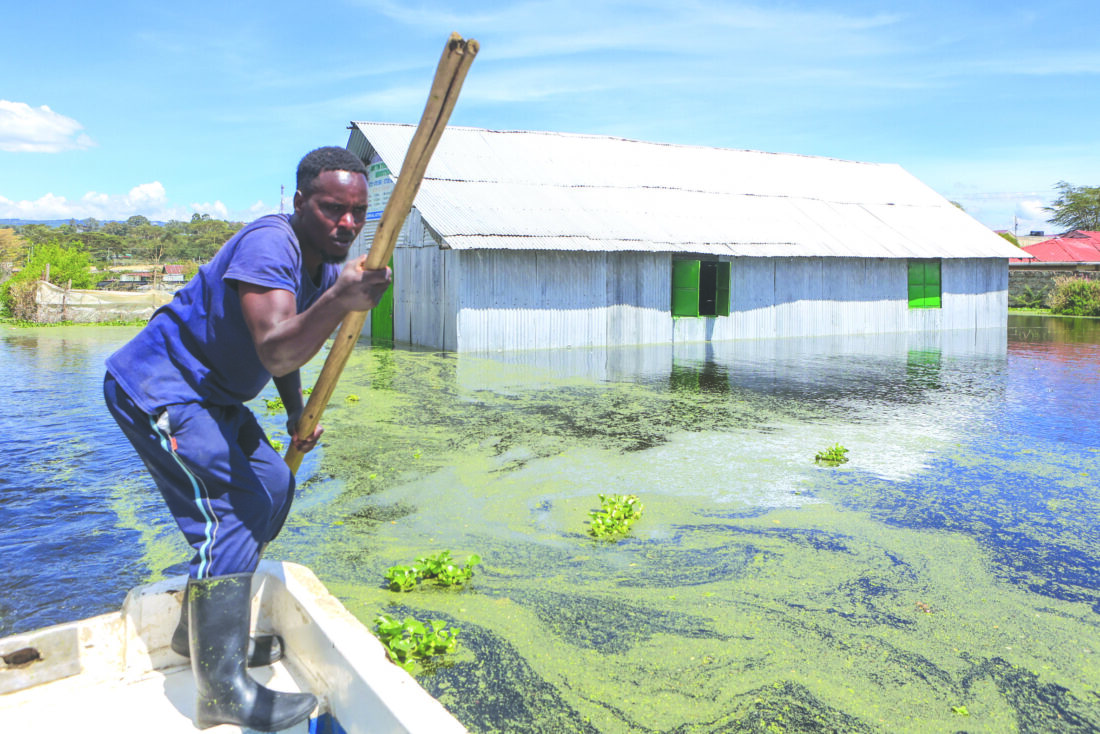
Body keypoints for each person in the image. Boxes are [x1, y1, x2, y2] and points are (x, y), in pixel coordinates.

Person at [103, 147, 391, 731]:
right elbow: (277, 348)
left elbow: (290, 350)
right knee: (233, 512)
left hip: (214, 397)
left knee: (274, 485)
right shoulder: (270, 244)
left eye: (359, 213)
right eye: (332, 209)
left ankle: (198, 637)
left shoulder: (322, 267)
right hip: (160, 387)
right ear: (300, 202)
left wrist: (297, 413)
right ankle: (222, 689)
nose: (347, 224)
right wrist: (341, 299)